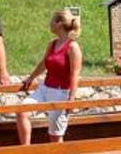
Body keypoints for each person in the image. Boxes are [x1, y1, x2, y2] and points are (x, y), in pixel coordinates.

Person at [17, 9, 83, 145]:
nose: (50, 23)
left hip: (61, 93)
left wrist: (71, 100)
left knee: (55, 137)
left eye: (52, 20)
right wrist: (31, 78)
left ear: (59, 23)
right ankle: (26, 152)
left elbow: (75, 74)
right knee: (22, 111)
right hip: (45, 88)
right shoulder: (52, 44)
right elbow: (44, 64)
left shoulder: (73, 47)